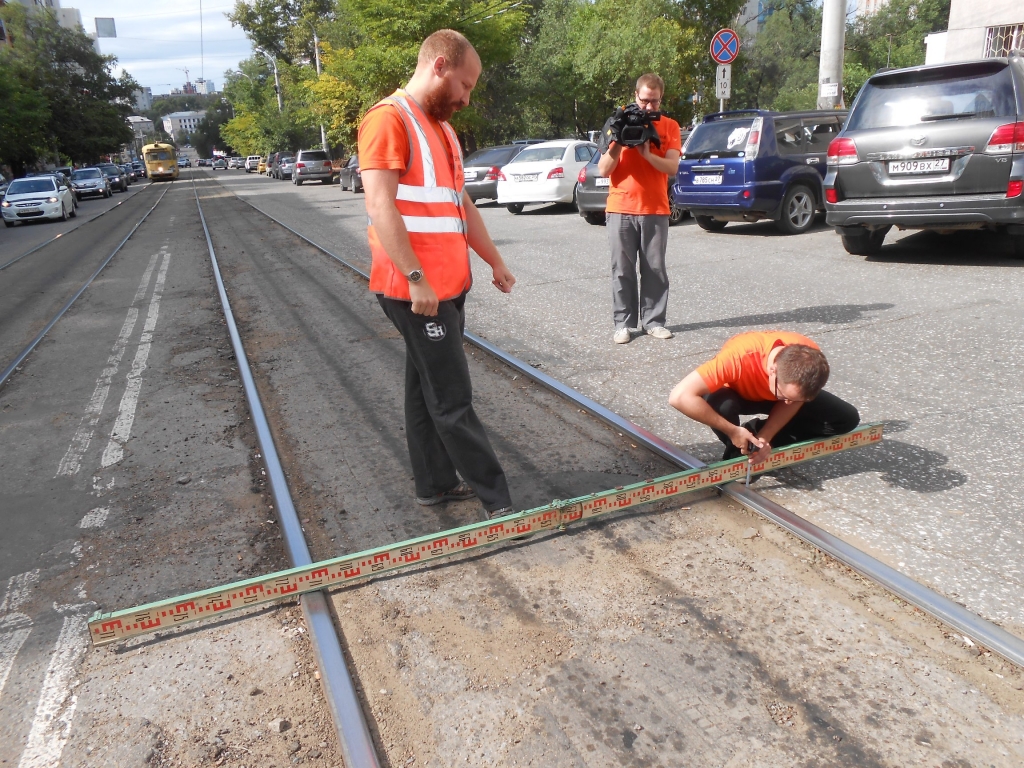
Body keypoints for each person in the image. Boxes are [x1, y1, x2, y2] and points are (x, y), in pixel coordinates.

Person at [358, 29, 518, 521]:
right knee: (452, 397)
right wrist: (415, 277)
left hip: (447, 285)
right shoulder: (388, 120)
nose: (467, 99)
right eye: (465, 86)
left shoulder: (443, 129)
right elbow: (379, 203)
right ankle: (500, 502)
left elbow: (458, 204)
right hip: (417, 289)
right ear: (441, 65)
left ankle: (434, 484)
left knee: (424, 388)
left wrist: (493, 259)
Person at [668, 331, 860, 465]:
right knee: (720, 404)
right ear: (772, 370)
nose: (788, 403)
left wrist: (766, 436)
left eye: (795, 399)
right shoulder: (739, 357)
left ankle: (761, 443)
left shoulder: (810, 356)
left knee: (847, 419)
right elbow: (679, 396)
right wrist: (733, 431)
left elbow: (791, 400)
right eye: (784, 395)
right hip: (736, 395)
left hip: (775, 396)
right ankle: (739, 452)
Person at [597, 73, 682, 345]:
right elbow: (603, 169)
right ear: (635, 96)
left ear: (661, 100)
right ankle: (623, 324)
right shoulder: (618, 122)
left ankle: (654, 322)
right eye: (644, 100)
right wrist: (619, 143)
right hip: (620, 207)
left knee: (654, 268)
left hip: (655, 208)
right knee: (621, 269)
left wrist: (647, 154)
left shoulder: (670, 126)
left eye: (654, 102)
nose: (648, 107)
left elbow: (672, 168)